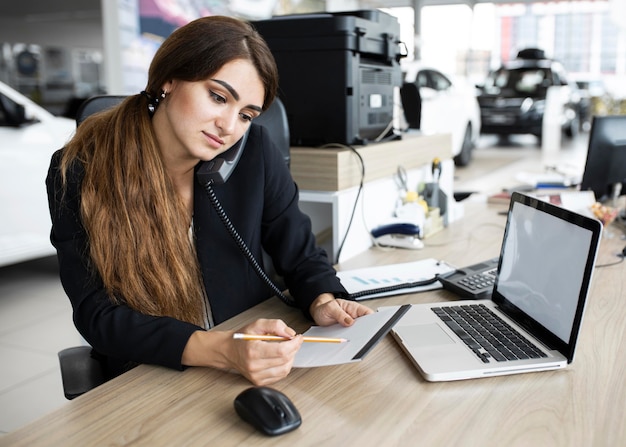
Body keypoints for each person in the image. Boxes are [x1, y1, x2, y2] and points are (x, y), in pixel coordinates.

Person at [46, 15, 373, 386]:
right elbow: (97, 314)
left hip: (247, 359)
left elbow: (300, 253)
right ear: (169, 79)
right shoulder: (80, 169)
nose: (229, 126)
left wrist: (322, 299)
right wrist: (221, 349)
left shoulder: (254, 154)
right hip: (151, 370)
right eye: (218, 97)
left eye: (246, 115)